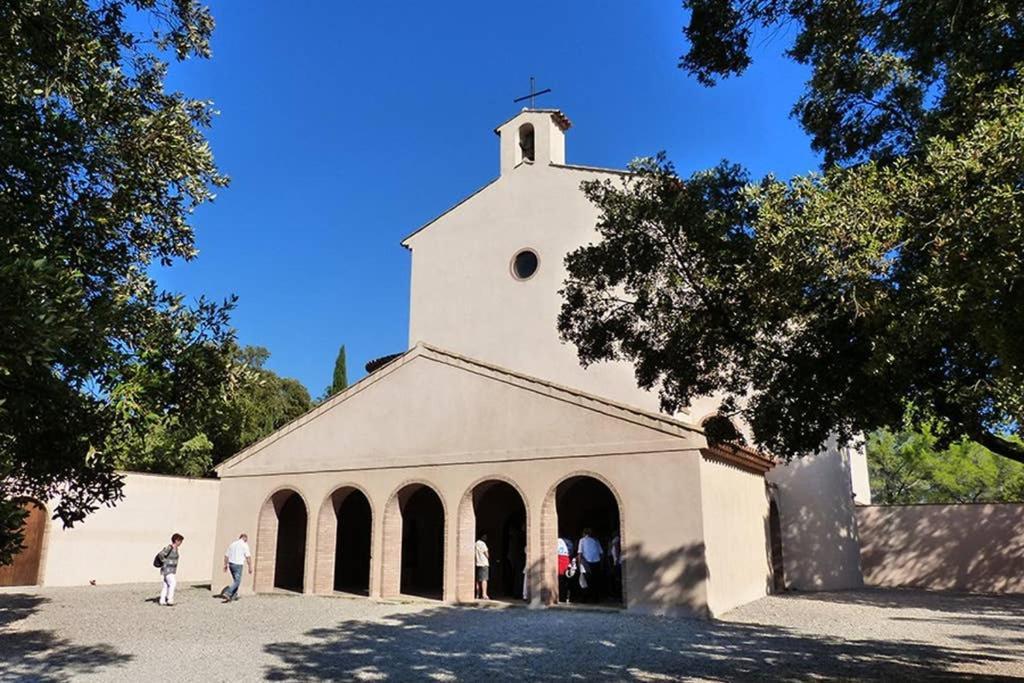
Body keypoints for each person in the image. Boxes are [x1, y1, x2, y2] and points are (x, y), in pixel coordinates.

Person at [222, 533, 252, 602]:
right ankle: (228, 592)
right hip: (238, 564)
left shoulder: (232, 544)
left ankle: (233, 595)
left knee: (235, 580)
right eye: (246, 539)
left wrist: (225, 565)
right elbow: (248, 557)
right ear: (244, 538)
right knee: (237, 581)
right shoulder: (244, 545)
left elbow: (226, 555)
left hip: (231, 564)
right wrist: (250, 566)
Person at [577, 528, 603, 603]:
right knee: (595, 580)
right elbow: (601, 553)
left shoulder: (582, 540)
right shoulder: (596, 540)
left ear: (584, 533)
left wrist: (579, 564)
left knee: (584, 581)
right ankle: (595, 598)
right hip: (596, 562)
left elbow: (580, 553)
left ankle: (584, 598)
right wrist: (601, 564)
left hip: (586, 562)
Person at [157, 533, 184, 606]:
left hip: (170, 570)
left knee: (166, 585)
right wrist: (164, 561)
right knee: (173, 583)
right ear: (176, 540)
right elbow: (160, 554)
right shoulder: (170, 547)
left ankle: (162, 600)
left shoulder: (176, 549)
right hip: (167, 570)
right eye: (180, 541)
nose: (181, 543)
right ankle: (170, 599)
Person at [557, 535, 574, 603]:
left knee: (560, 580)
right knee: (566, 580)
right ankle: (566, 597)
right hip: (566, 559)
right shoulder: (568, 541)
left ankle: (561, 597)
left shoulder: (556, 541)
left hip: (559, 559)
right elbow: (571, 552)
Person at [475, 533, 491, 600]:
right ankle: (484, 594)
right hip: (484, 563)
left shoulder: (475, 543)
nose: (486, 538)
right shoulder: (483, 544)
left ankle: (477, 594)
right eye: (485, 536)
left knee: (478, 580)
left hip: (477, 563)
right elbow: (487, 554)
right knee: (484, 579)